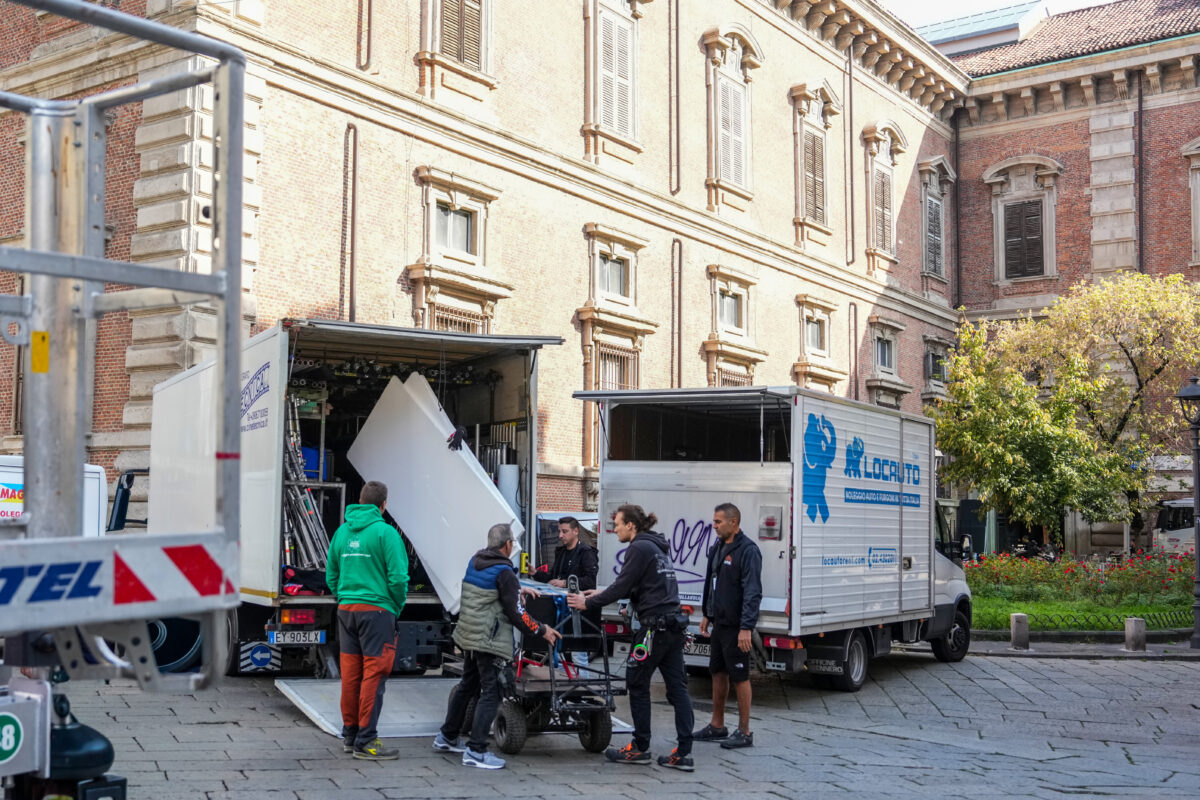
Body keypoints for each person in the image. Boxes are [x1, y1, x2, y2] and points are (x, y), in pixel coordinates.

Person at [568, 504, 695, 772]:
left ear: (632, 526)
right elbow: (636, 584)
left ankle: (639, 747)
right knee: (678, 688)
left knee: (636, 682)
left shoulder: (638, 547)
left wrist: (586, 603)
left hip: (652, 629)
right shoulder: (657, 547)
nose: (614, 530)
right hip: (672, 626)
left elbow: (623, 586)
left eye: (618, 524)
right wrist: (598, 592)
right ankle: (684, 752)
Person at [433, 523, 561, 770]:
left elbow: (488, 591)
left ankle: (447, 736)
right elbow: (517, 613)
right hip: (489, 639)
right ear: (508, 544)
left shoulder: (477, 561)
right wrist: (542, 629)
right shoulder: (504, 572)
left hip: (470, 634)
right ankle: (476, 750)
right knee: (492, 692)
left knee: (467, 685)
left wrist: (518, 588)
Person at [325, 480, 409, 761]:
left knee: (350, 675)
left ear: (360, 502)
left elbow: (331, 576)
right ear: (383, 506)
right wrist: (394, 606)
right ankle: (366, 740)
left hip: (346, 611)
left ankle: (350, 735)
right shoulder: (386, 534)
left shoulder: (341, 533)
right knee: (374, 675)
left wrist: (344, 597)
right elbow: (398, 578)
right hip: (377, 613)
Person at [693, 502, 762, 750]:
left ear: (733, 522)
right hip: (719, 623)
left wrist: (746, 627)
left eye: (718, 522)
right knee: (717, 672)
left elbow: (752, 592)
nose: (714, 526)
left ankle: (744, 731)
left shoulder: (748, 550)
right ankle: (717, 725)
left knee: (739, 675)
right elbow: (710, 582)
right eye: (713, 521)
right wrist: (706, 613)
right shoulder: (718, 548)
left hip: (736, 626)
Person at [533, 516, 599, 670]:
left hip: (578, 613)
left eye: (565, 531)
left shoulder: (586, 553)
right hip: (559, 612)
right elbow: (552, 578)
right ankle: (564, 689)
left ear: (576, 531)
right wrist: (535, 572)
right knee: (560, 653)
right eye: (559, 531)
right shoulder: (561, 553)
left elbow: (590, 581)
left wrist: (564, 583)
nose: (560, 535)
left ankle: (581, 690)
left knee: (578, 653)